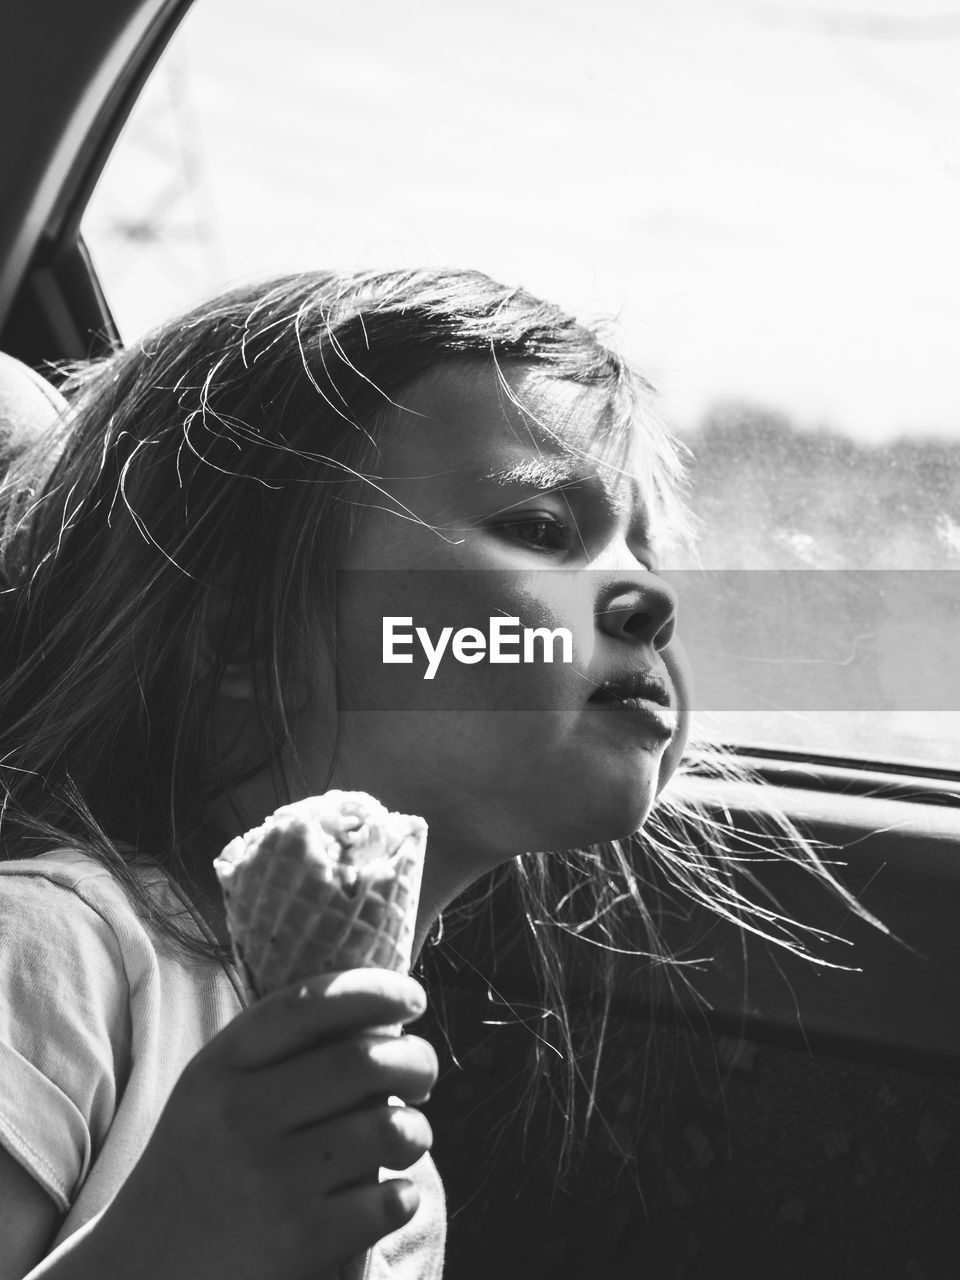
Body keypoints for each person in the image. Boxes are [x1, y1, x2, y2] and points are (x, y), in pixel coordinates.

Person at [0, 269, 857, 1280]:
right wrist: (159, 1247)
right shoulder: (55, 959)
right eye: (543, 529)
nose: (652, 597)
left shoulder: (392, 1162)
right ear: (245, 634)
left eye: (649, 548)